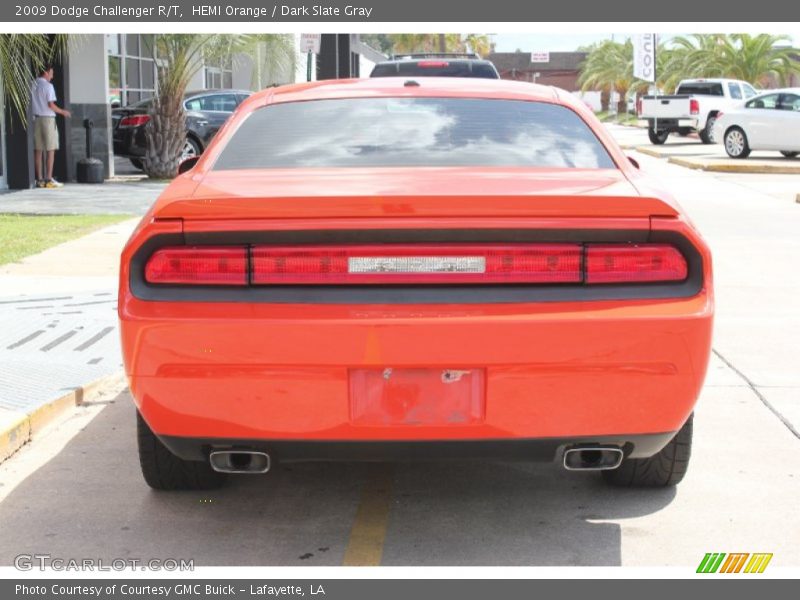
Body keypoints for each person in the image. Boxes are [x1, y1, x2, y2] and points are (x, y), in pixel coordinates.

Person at [32, 64, 70, 188]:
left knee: (38, 150)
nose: (52, 76)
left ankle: (39, 179)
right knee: (50, 150)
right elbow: (51, 105)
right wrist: (63, 112)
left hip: (36, 119)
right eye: (51, 73)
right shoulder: (48, 86)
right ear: (46, 72)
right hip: (48, 120)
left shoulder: (32, 85)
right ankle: (48, 179)